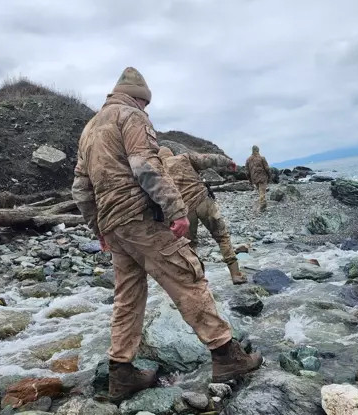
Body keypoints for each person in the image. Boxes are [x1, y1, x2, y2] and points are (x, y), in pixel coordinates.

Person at [71, 67, 262, 402]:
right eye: (146, 104)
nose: (146, 110)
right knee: (189, 277)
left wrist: (98, 228)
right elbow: (145, 166)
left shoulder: (89, 129)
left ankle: (121, 373)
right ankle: (225, 355)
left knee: (127, 297)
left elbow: (80, 188)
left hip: (114, 226)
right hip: (142, 218)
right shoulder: (131, 116)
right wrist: (175, 209)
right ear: (140, 97)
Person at [157, 146, 246, 285]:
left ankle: (199, 280)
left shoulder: (159, 171)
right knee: (222, 237)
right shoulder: (184, 158)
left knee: (190, 246)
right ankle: (236, 274)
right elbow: (207, 159)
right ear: (171, 153)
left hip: (183, 211)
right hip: (204, 201)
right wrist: (227, 161)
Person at [245, 145, 271, 212]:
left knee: (260, 191)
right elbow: (267, 168)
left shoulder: (248, 160)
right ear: (258, 150)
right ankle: (262, 205)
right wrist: (269, 176)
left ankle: (263, 204)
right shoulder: (262, 158)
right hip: (262, 177)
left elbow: (247, 172)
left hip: (254, 178)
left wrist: (250, 180)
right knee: (262, 191)